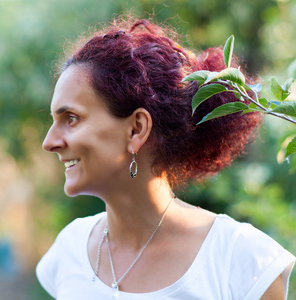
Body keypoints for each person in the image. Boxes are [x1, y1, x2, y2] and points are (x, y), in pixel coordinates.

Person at [36, 17, 295, 300]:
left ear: (136, 129)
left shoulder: (243, 262)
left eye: (71, 118)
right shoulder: (68, 251)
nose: (49, 143)